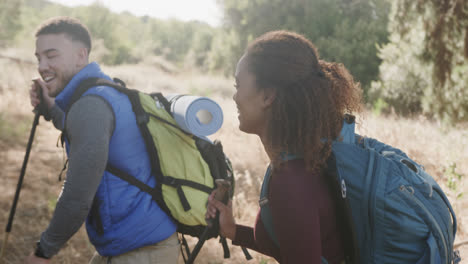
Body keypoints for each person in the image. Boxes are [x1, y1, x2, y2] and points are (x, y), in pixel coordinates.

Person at [25, 16, 179, 264]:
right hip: (140, 245)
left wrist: (43, 252)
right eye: (38, 58)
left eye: (51, 56)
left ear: (80, 55)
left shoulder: (90, 105)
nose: (42, 66)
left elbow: (76, 197)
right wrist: (51, 108)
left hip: (141, 253)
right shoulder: (103, 90)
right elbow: (80, 129)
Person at [206, 30, 362, 263]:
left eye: (238, 85)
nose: (235, 97)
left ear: (268, 96)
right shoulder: (303, 160)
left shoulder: (291, 181)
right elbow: (296, 247)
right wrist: (233, 230)